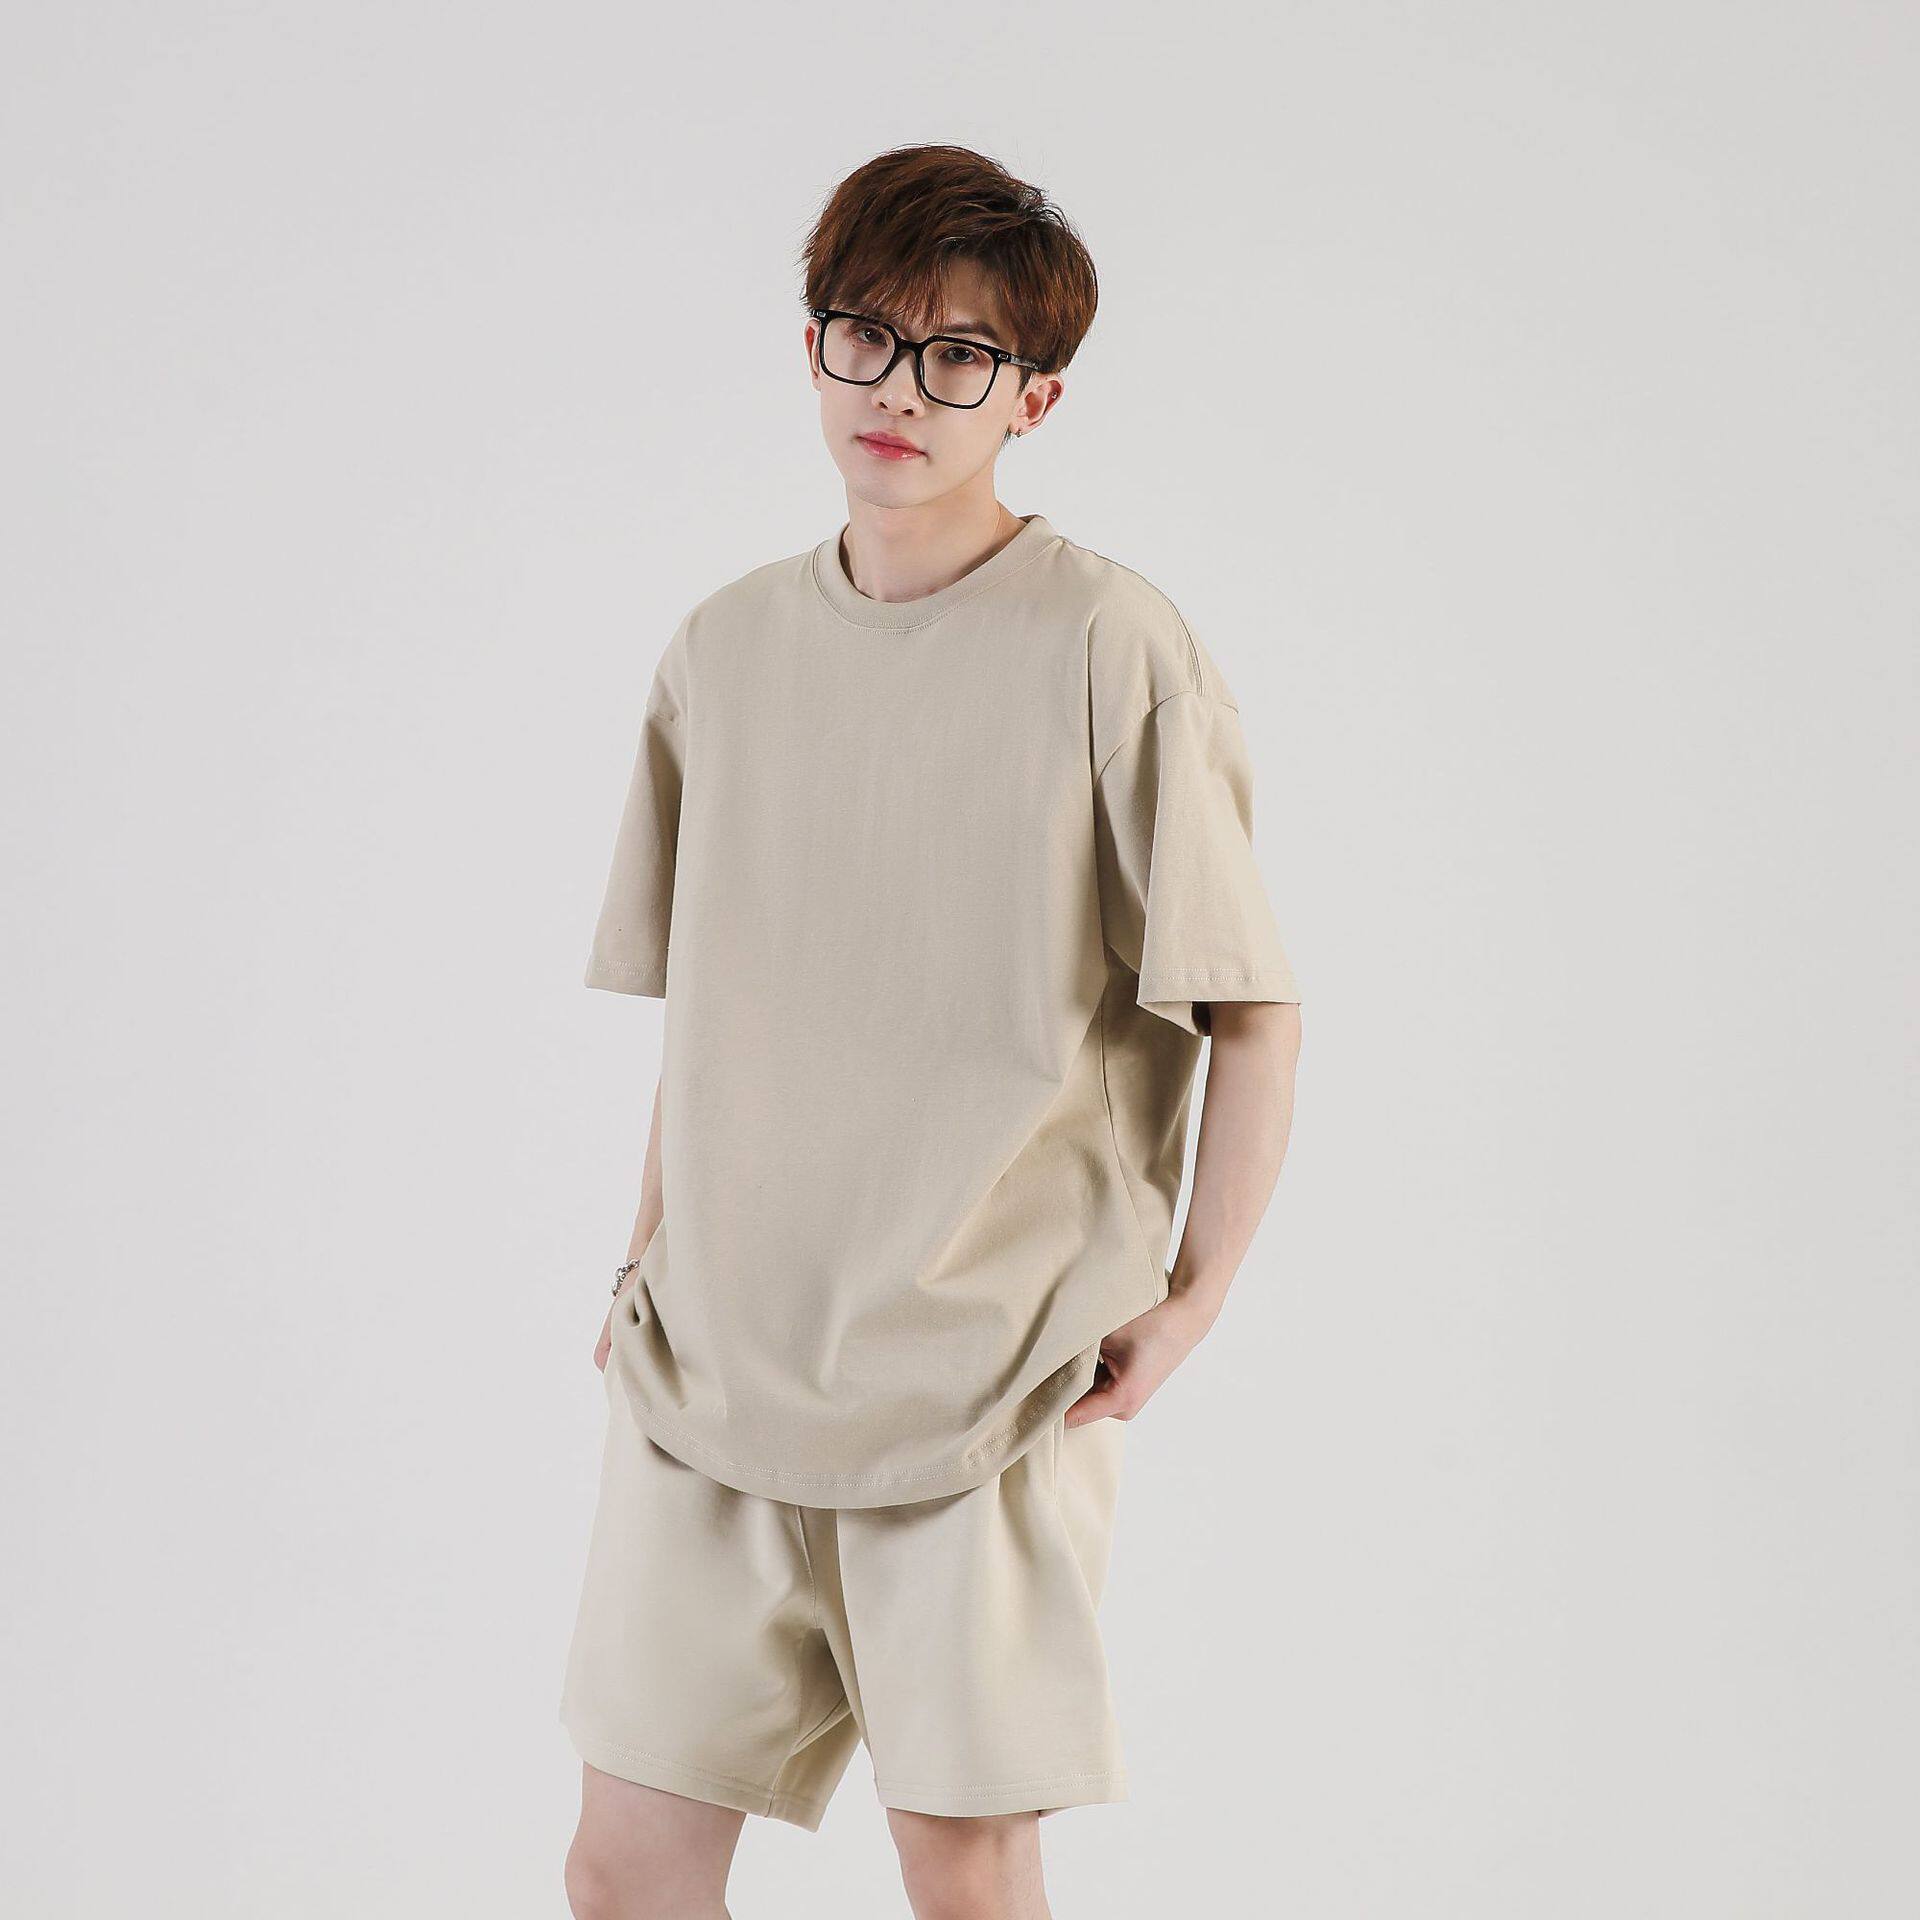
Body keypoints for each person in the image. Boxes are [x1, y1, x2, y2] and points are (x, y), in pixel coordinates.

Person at [558, 143, 1304, 1920]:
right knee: (623, 1870)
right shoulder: (724, 650)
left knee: (962, 1872)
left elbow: (1253, 1012)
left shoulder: (1114, 648)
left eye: (961, 356)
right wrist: (644, 1264)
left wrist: (1192, 1304)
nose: (901, 390)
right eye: (868, 336)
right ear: (811, 344)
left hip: (987, 1381)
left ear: (1036, 397)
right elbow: (715, 1010)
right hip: (713, 1376)